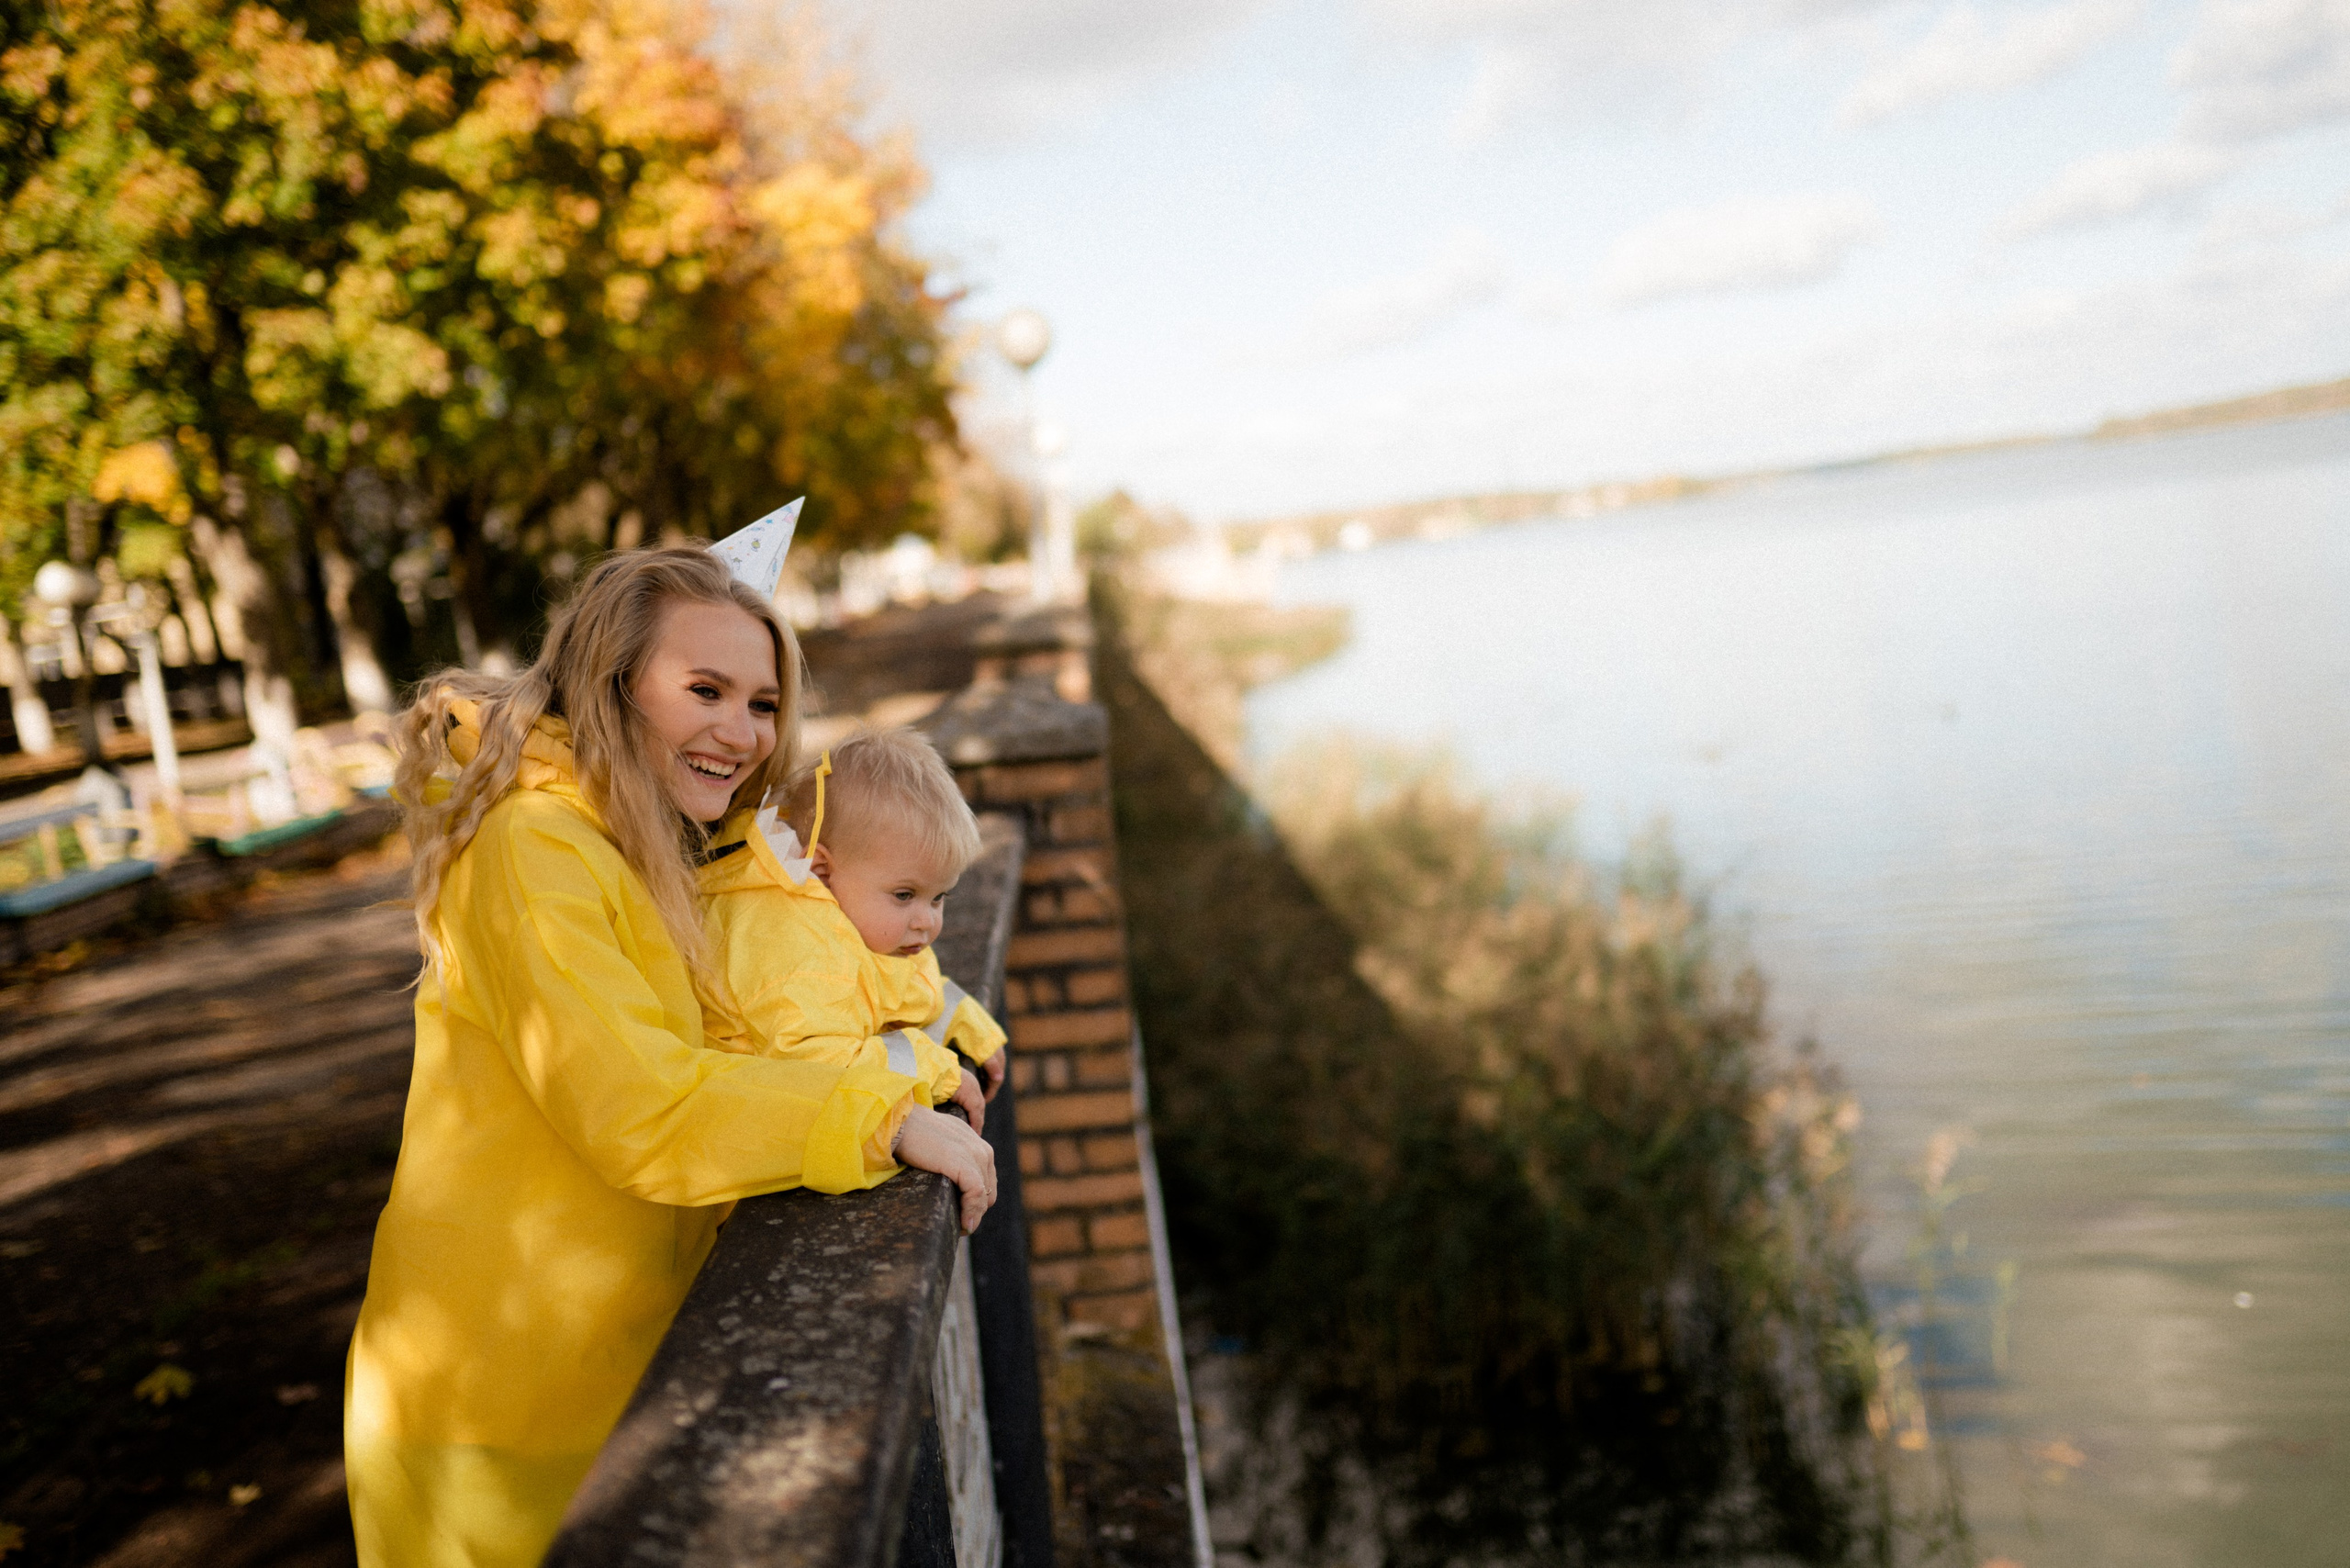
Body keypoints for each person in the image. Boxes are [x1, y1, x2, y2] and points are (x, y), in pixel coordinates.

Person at [342, 548, 995, 1567]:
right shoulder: (533, 849)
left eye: (764, 701)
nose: (741, 733)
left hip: (610, 1360)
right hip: (497, 1396)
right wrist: (882, 1119)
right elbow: (640, 1105)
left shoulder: (640, 835)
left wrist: (907, 1055)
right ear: (612, 685)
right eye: (705, 690)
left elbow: (760, 1023)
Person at [699, 728, 1009, 1123]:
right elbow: (819, 1065)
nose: (927, 922)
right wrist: (936, 1070)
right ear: (822, 870)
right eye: (904, 895)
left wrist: (960, 1017)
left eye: (939, 897)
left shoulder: (857, 921)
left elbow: (891, 983)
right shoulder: (798, 952)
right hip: (748, 1126)